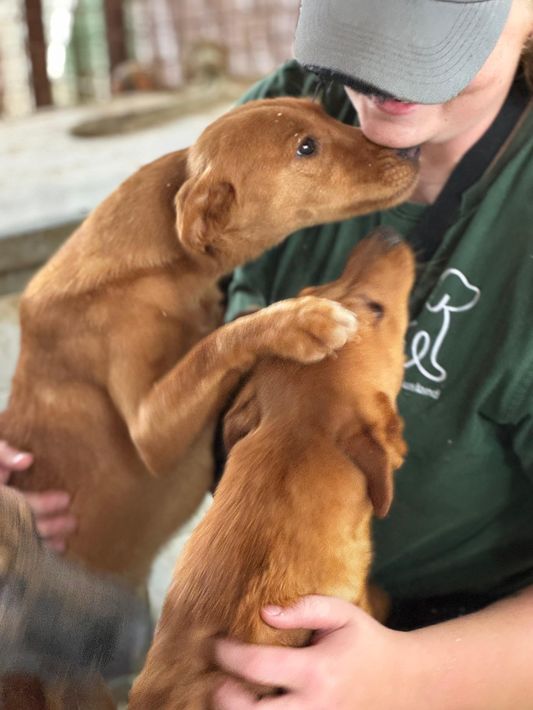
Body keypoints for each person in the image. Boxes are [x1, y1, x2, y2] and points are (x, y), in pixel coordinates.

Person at [2, 0, 533, 706]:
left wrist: (409, 675)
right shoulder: (299, 105)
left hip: (452, 649)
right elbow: (94, 322)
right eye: (363, 28)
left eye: (429, 38)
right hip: (230, 614)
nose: (381, 80)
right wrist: (42, 439)